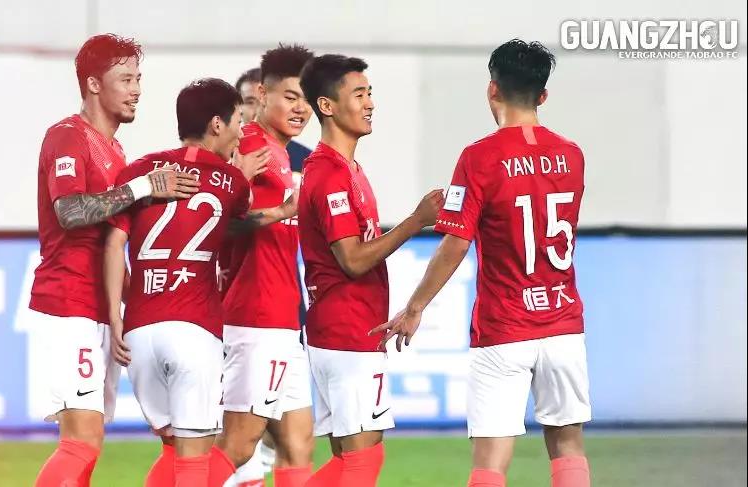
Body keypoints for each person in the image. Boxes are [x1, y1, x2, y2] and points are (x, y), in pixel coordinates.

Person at [372, 39, 592, 487]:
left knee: (490, 461)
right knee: (568, 446)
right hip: (563, 323)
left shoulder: (479, 157)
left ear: (492, 89)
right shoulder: (572, 155)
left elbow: (455, 243)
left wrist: (415, 307)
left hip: (504, 326)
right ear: (543, 95)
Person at [104, 77, 296, 486]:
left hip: (138, 332)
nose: (241, 133)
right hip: (194, 330)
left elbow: (114, 242)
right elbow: (237, 221)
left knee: (171, 450)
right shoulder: (232, 182)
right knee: (195, 462)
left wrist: (116, 316)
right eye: (237, 121)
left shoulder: (139, 169)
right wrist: (265, 196)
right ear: (216, 124)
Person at [29, 33, 201, 487]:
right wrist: (142, 187)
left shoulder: (115, 151)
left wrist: (134, 306)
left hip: (98, 309)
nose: (137, 89)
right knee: (80, 442)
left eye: (138, 79)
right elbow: (69, 212)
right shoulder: (68, 136)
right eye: (125, 79)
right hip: (67, 303)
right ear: (93, 84)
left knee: (90, 443)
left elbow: (113, 242)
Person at [298, 54, 443, 487]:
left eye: (370, 93)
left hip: (344, 330)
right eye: (359, 94)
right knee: (363, 462)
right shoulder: (329, 174)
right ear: (327, 106)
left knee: (349, 460)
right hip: (347, 332)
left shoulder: (348, 169)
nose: (370, 103)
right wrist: (416, 221)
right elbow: (353, 259)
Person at [211, 44, 316, 487]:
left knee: (298, 445)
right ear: (261, 94)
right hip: (256, 316)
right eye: (290, 97)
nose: (301, 109)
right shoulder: (248, 145)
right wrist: (283, 211)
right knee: (238, 445)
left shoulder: (285, 153)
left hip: (284, 318)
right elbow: (218, 221)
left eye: (306, 99)